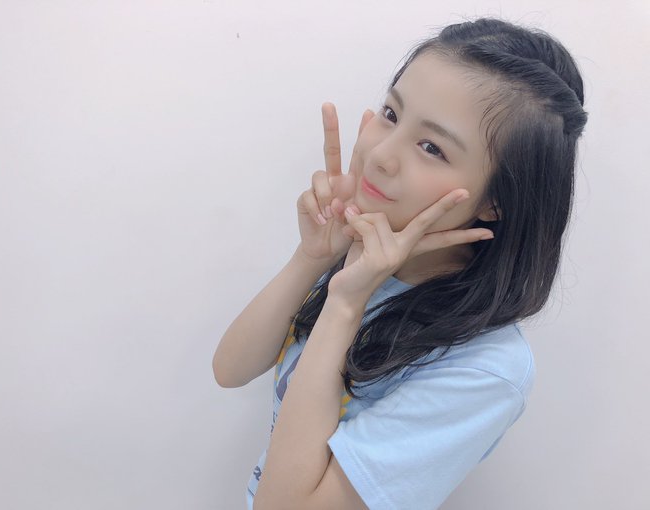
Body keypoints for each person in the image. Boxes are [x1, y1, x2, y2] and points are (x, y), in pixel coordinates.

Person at [212, 16, 588, 510]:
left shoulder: (488, 369)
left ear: (495, 201)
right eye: (391, 114)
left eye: (432, 148)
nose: (381, 155)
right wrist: (313, 257)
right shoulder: (369, 257)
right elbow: (230, 369)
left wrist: (346, 304)